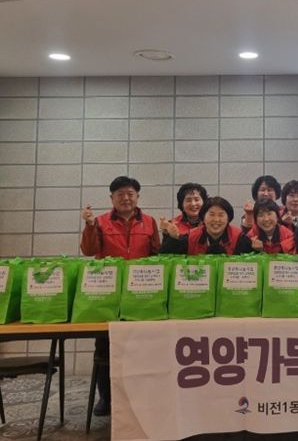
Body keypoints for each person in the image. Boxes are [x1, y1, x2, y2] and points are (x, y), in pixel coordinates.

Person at [80, 175, 160, 417]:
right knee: (105, 349)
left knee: (141, 349)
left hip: (141, 295)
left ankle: (141, 397)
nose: (126, 198)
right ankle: (106, 398)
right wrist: (90, 225)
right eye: (120, 194)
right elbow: (89, 251)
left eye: (130, 194)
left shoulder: (149, 222)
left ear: (137, 196)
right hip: (107, 295)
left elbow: (157, 255)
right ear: (112, 198)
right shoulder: (101, 222)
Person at [160, 197, 253, 255]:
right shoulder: (190, 237)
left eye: (221, 215)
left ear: (228, 218)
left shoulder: (240, 238)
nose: (216, 219)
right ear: (203, 217)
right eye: (211, 214)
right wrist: (173, 239)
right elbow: (164, 256)